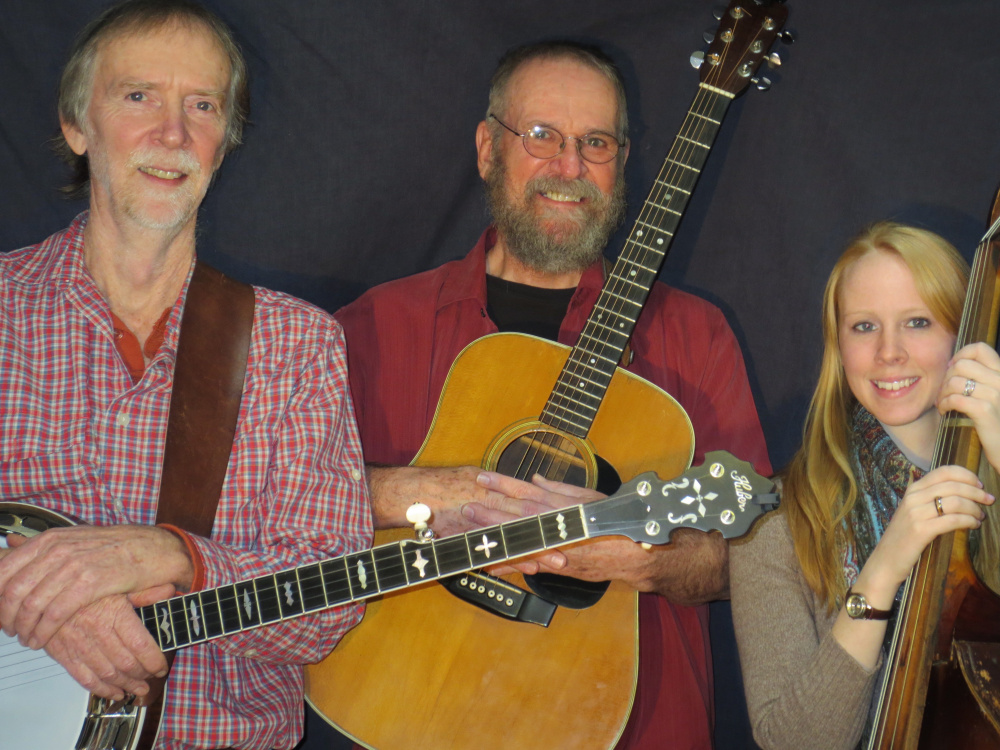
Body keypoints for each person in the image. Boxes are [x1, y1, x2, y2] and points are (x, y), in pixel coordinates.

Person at [332, 41, 771, 748]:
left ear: (624, 159)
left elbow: (758, 553)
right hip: (398, 705)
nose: (569, 167)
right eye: (541, 136)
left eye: (595, 142)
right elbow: (282, 508)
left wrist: (638, 553)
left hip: (627, 727)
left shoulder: (697, 337)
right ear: (486, 148)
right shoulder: (374, 328)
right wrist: (439, 493)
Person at [0, 2, 371, 749]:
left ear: (223, 143)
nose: (172, 133)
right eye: (139, 96)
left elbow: (331, 604)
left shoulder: (298, 344)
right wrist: (48, 605)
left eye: (201, 106)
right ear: (78, 126)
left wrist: (172, 555)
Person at [729, 222, 1000, 748]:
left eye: (918, 322)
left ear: (963, 334)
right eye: (863, 327)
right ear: (838, 348)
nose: (889, 352)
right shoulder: (775, 526)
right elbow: (792, 742)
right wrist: (881, 573)